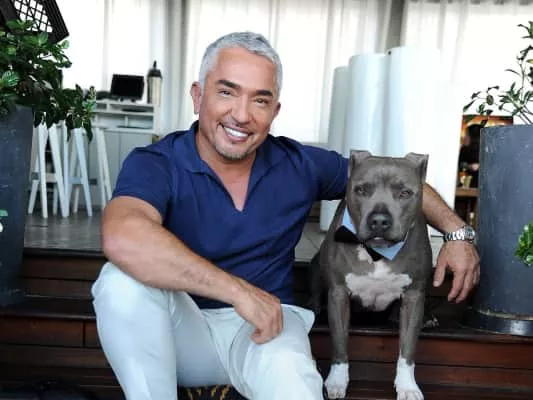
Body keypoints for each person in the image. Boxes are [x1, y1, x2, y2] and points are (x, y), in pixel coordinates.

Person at [91, 32, 480, 400]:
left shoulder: (299, 163)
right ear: (198, 95)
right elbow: (124, 237)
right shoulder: (156, 163)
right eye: (226, 92)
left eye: (260, 100)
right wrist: (238, 292)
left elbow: (393, 177)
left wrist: (456, 232)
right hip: (183, 335)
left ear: (274, 111)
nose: (241, 114)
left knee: (293, 380)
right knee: (119, 283)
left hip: (269, 330)